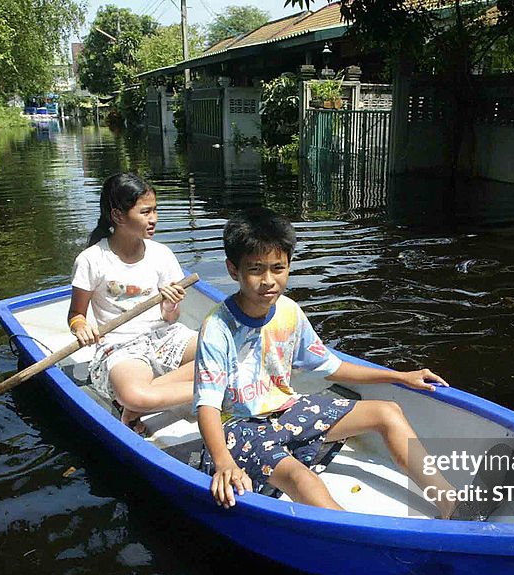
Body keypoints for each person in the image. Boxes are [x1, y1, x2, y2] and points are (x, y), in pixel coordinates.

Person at [193, 207, 463, 518]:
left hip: (286, 411)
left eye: (278, 268)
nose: (268, 281)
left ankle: (453, 507)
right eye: (255, 269)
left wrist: (398, 377)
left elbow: (331, 366)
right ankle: (357, 535)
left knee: (387, 412)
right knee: (300, 478)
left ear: (289, 265)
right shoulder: (217, 328)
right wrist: (223, 461)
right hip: (239, 428)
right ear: (233, 269)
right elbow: (208, 406)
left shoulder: (289, 311)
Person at [69, 173, 196, 433]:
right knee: (135, 394)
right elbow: (76, 315)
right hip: (121, 345)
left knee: (226, 351)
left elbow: (170, 318)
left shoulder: (162, 254)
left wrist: (171, 305)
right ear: (117, 216)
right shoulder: (91, 259)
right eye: (145, 212)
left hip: (165, 336)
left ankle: (140, 405)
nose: (154, 219)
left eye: (155, 210)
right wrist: (81, 327)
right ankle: (143, 401)